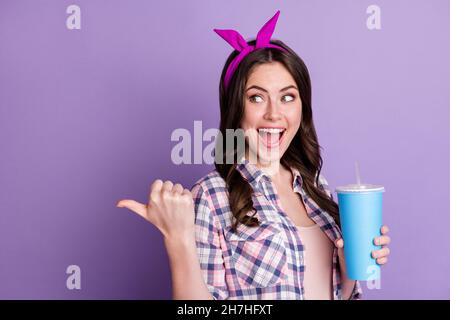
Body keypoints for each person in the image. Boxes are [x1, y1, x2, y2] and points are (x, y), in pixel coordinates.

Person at [116, 10, 391, 300]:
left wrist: (349, 271)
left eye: (288, 97)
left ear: (303, 107)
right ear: (236, 108)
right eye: (256, 97)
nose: (274, 114)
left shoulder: (316, 189)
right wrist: (178, 238)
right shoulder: (211, 197)